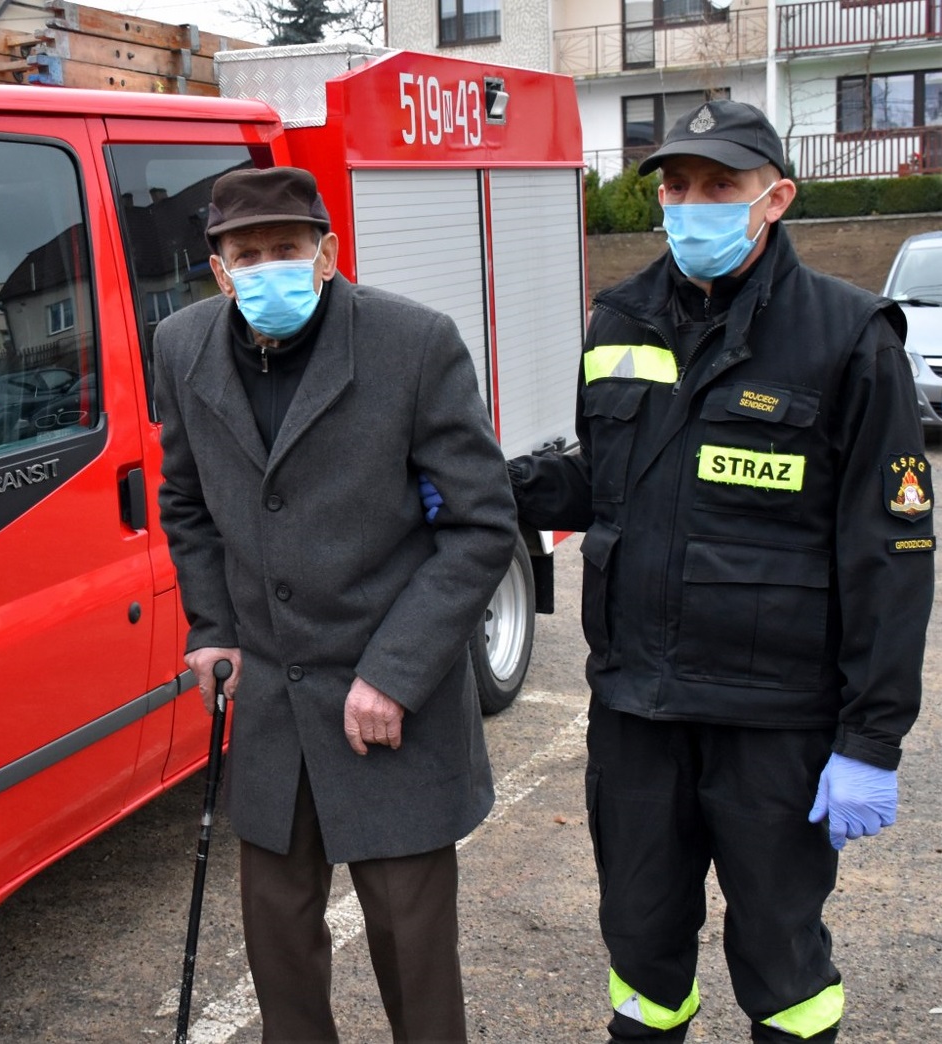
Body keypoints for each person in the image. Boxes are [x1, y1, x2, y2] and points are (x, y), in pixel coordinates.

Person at [507, 100, 933, 1042]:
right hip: (638, 710)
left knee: (783, 959)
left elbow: (889, 553)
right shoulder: (619, 317)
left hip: (771, 720)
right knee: (639, 945)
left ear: (774, 198)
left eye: (718, 185)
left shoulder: (847, 334)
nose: (690, 203)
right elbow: (608, 481)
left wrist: (870, 738)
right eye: (675, 185)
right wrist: (492, 488)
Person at [154, 165, 517, 1042]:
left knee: (411, 950)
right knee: (277, 946)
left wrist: (394, 674)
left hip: (390, 704)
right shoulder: (180, 344)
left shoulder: (413, 342)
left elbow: (479, 524)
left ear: (325, 254)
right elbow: (186, 502)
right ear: (219, 270)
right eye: (247, 255)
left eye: (286, 248)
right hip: (273, 703)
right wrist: (211, 628)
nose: (267, 268)